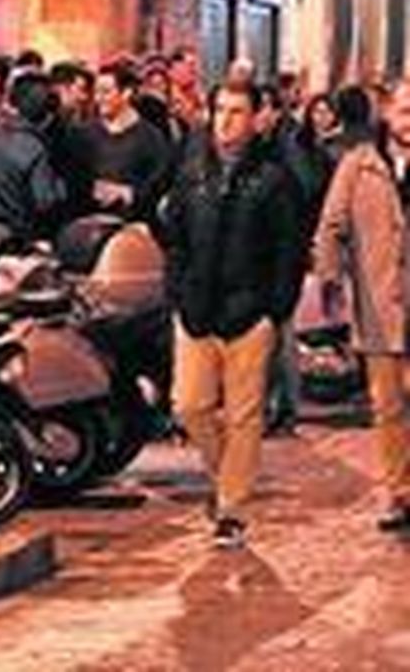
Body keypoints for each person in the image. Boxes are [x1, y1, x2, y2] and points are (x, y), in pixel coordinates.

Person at [155, 82, 304, 549]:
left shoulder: (275, 180)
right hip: (196, 310)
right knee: (188, 405)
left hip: (250, 312)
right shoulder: (192, 172)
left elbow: (290, 250)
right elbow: (174, 238)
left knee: (244, 415)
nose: (225, 120)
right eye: (219, 109)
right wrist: (177, 291)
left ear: (256, 119)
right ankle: (226, 479)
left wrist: (274, 309)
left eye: (237, 111)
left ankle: (231, 509)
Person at [314, 84, 410, 531]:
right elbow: (332, 224)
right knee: (387, 404)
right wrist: (330, 275)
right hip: (380, 302)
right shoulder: (360, 165)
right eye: (405, 110)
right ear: (387, 113)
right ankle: (399, 491)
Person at [0, 71, 67, 244]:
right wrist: (62, 186)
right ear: (47, 115)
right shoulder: (34, 148)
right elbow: (45, 201)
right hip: (14, 234)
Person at [75, 61, 174, 222]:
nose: (98, 99)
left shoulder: (151, 138)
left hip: (133, 226)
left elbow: (161, 185)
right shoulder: (83, 134)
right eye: (96, 92)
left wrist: (128, 193)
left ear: (126, 93)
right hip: (88, 223)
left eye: (106, 92)